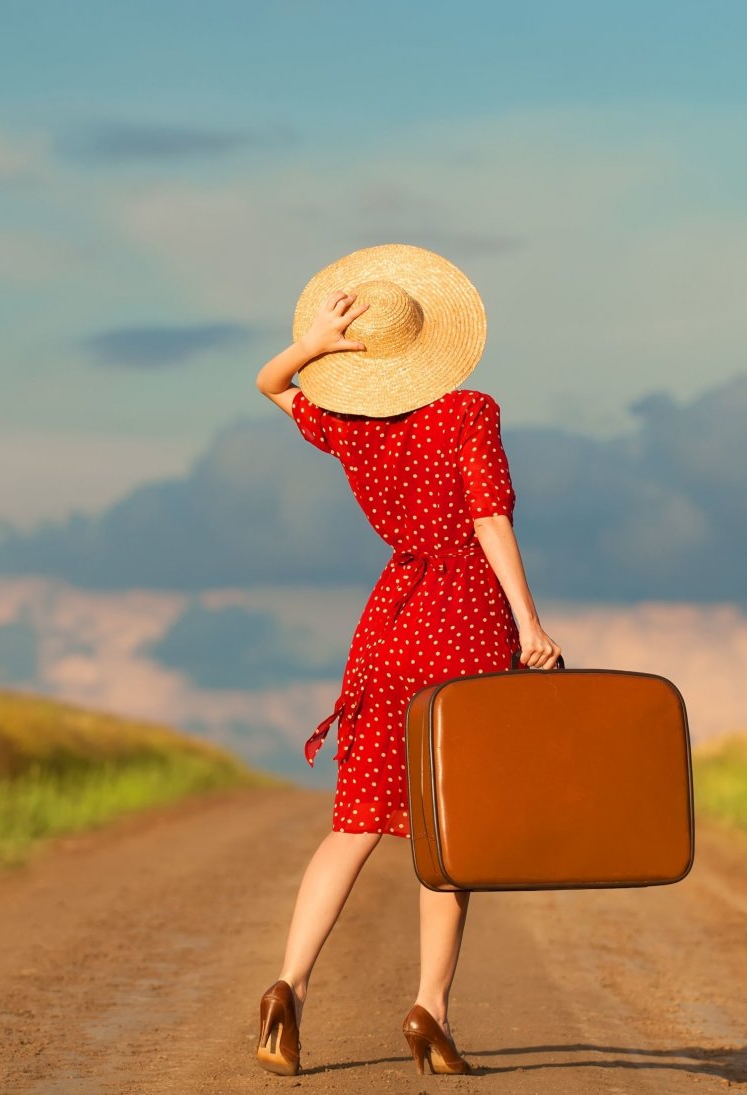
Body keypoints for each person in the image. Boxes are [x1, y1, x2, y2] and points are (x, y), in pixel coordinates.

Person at [249, 244, 561, 1078]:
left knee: (354, 823)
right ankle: (431, 1007)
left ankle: (287, 989)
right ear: (433, 343)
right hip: (462, 617)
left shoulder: (346, 422)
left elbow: (270, 384)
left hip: (389, 624)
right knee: (447, 832)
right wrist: (529, 620)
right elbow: (490, 517)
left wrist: (316, 343)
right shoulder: (468, 411)